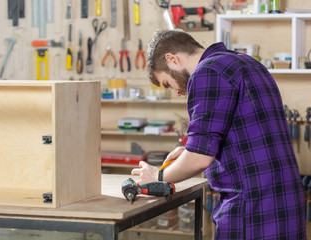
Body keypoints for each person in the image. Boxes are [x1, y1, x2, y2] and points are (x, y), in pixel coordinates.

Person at [131, 29, 306, 239]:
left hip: (250, 210)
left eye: (168, 83)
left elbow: (198, 159)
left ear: (172, 59)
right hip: (286, 203)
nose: (176, 91)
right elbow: (245, 132)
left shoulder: (208, 72)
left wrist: (158, 176)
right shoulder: (249, 64)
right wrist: (190, 149)